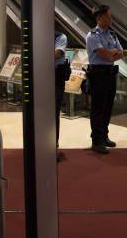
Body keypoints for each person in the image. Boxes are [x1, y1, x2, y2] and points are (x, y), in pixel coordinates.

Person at [86, 5, 123, 154]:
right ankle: (96, 140)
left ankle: (104, 136)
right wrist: (112, 53)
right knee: (98, 108)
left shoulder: (112, 34)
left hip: (110, 74)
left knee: (108, 107)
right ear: (99, 18)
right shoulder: (92, 35)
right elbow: (105, 56)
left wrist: (112, 52)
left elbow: (121, 53)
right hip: (98, 75)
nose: (111, 19)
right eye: (108, 16)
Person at [54, 30, 69, 161]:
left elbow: (57, 54)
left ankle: (53, 146)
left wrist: (38, 53)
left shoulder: (61, 37)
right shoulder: (39, 35)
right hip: (41, 76)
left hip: (56, 78)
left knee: (53, 113)